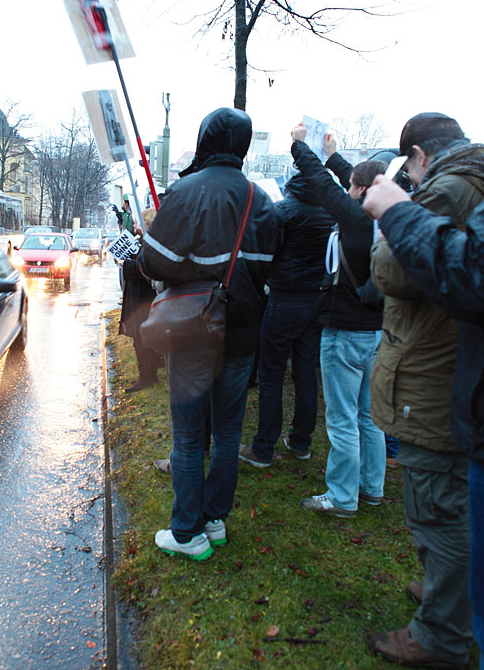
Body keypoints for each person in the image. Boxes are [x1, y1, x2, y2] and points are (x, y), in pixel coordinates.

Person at [367, 112, 484, 670]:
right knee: (448, 499)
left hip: (432, 375)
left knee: (437, 507)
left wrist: (390, 215)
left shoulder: (448, 187)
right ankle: (447, 594)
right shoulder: (473, 181)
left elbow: (393, 271)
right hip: (453, 368)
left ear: (415, 154)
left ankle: (441, 632)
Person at [138, 107, 277, 560]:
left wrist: (150, 251)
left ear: (205, 139)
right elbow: (267, 267)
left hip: (194, 330)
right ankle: (215, 520)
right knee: (229, 430)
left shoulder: (186, 191)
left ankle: (186, 533)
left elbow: (156, 263)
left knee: (190, 435)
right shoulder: (262, 200)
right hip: (241, 332)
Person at [290, 127, 386, 518]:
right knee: (370, 416)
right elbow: (353, 180)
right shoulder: (389, 216)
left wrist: (300, 146)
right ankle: (372, 487)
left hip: (344, 331)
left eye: (352, 186)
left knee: (343, 418)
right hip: (377, 331)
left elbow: (319, 182)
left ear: (360, 190)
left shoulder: (353, 216)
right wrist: (334, 155)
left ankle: (343, 497)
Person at [238, 167, 334, 467]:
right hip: (315, 299)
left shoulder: (283, 211)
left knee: (271, 375)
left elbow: (266, 254)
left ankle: (263, 448)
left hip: (283, 298)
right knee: (305, 372)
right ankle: (301, 441)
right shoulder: (329, 213)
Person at [118, 209, 160, 393]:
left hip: (144, 298)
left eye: (138, 223)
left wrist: (124, 264)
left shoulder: (153, 244)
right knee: (143, 338)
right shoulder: (146, 242)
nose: (134, 226)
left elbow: (147, 268)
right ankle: (151, 375)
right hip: (140, 297)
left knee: (141, 339)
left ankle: (147, 378)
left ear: (147, 224)